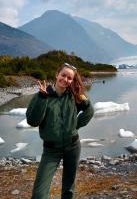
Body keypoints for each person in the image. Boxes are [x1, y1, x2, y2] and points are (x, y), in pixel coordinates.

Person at [26, 63, 94, 199]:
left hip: (73, 147)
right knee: (39, 193)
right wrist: (42, 99)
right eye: (63, 75)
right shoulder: (42, 95)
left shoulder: (74, 96)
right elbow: (32, 121)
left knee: (69, 189)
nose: (65, 79)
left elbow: (89, 111)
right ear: (57, 75)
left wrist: (74, 126)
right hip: (51, 150)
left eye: (69, 78)